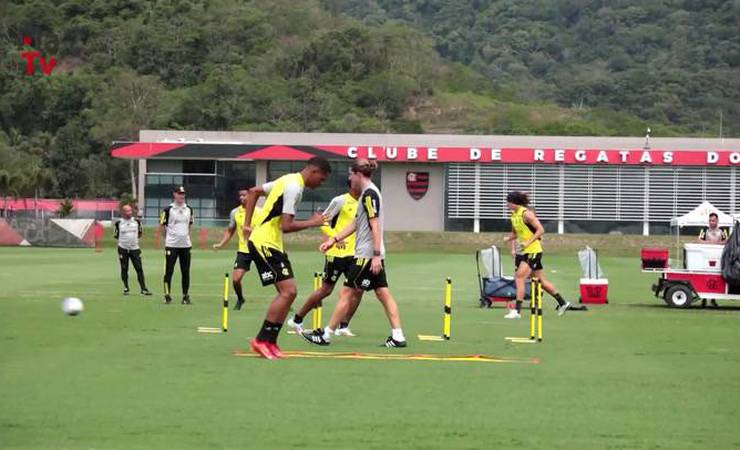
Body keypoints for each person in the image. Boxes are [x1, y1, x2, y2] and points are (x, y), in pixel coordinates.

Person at [302, 159, 407, 348]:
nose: (349, 178)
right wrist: (333, 240)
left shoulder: (369, 195)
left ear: (358, 175)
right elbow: (356, 224)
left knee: (346, 291)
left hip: (366, 255)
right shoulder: (367, 194)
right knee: (383, 293)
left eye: (351, 174)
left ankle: (326, 335)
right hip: (371, 253)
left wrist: (375, 256)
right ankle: (398, 336)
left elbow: (375, 226)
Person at [244, 157, 332, 360]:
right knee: (287, 291)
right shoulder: (294, 187)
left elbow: (254, 191)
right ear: (313, 171)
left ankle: (271, 342)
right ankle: (261, 340)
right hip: (264, 243)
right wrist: (313, 222)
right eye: (322, 179)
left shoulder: (287, 180)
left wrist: (247, 224)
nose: (321, 183)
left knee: (289, 293)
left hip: (272, 244)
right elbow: (286, 226)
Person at [287, 181, 363, 336]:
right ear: (352, 185)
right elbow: (322, 221)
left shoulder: (364, 202)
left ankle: (343, 326)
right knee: (326, 290)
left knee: (358, 289)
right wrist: (335, 237)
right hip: (336, 254)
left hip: (356, 254)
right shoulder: (340, 200)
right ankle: (297, 319)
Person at [502, 191, 571, 319]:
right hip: (525, 252)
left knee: (519, 277)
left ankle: (517, 311)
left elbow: (541, 230)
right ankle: (563, 303)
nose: (506, 204)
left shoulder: (526, 213)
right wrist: (508, 238)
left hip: (533, 251)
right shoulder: (514, 216)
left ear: (514, 202)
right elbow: (516, 233)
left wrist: (528, 241)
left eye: (508, 202)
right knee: (541, 281)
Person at [213, 189, 261, 310]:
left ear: (251, 197)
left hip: (260, 249)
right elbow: (230, 230)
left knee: (274, 277)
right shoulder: (235, 212)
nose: (242, 198)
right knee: (235, 280)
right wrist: (221, 244)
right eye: (240, 196)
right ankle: (240, 299)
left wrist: (252, 231)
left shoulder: (260, 212)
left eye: (244, 195)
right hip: (244, 250)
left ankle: (285, 299)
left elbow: (266, 230)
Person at [160, 186, 193, 305]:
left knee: (185, 271)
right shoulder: (168, 210)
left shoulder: (189, 209)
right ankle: (167, 295)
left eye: (183, 193)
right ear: (174, 194)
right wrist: (168, 240)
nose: (182, 196)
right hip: (172, 245)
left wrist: (186, 237)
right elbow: (162, 226)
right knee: (169, 271)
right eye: (179, 193)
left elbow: (190, 224)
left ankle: (185, 296)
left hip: (185, 245)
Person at [114, 204, 152, 296]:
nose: (129, 213)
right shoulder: (118, 223)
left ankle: (143, 289)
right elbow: (116, 235)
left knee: (139, 268)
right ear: (123, 212)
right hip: (123, 249)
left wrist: (133, 241)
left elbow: (140, 233)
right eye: (127, 211)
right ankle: (126, 287)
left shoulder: (137, 222)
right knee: (124, 268)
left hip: (135, 249)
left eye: (130, 211)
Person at [698, 212, 727, 307]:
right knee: (705, 277)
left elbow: (726, 241)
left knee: (716, 278)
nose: (711, 222)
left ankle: (713, 299)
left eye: (713, 220)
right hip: (706, 257)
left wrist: (716, 243)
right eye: (710, 220)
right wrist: (710, 242)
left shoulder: (723, 230)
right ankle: (703, 299)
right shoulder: (704, 230)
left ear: (717, 221)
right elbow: (699, 240)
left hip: (719, 258)